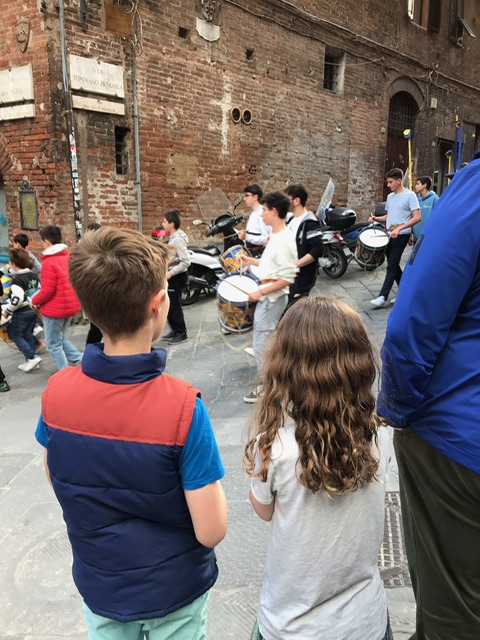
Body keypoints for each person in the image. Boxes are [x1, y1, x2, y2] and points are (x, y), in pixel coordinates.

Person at [35, 227, 227, 639]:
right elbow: (211, 529)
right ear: (157, 305)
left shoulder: (55, 394)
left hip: (101, 585)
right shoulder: (184, 409)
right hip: (174, 592)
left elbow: (56, 475)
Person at [245, 297, 392, 640]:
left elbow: (264, 511)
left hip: (292, 626)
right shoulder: (378, 436)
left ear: (284, 367)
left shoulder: (275, 448)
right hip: (366, 622)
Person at [378, 155, 480, 640]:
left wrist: (397, 408)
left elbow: (412, 323)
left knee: (452, 614)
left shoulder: (474, 193)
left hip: (457, 442)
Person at [239, 192, 297, 403]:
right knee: (265, 342)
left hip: (272, 299)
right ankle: (275, 380)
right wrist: (251, 261)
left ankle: (267, 387)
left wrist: (260, 292)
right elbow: (270, 264)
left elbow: (288, 278)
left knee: (261, 344)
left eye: (264, 209)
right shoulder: (276, 236)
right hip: (269, 296)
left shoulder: (285, 240)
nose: (261, 213)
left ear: (274, 211)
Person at [30, 225, 82, 370]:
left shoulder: (49, 262)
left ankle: (64, 373)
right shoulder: (68, 258)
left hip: (55, 309)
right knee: (59, 339)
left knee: (53, 344)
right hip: (70, 305)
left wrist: (34, 301)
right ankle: (80, 361)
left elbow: (47, 291)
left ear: (46, 241)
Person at [368, 168, 421, 308]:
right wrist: (376, 219)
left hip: (401, 235)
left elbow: (417, 217)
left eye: (391, 182)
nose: (388, 185)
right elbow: (389, 216)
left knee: (391, 265)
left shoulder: (410, 196)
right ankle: (405, 292)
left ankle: (382, 296)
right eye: (388, 182)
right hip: (389, 234)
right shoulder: (390, 197)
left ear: (399, 181)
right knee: (394, 264)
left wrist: (399, 228)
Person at [2, 248, 42, 372]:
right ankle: (32, 359)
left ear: (14, 264)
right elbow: (39, 290)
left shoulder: (17, 281)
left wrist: (7, 311)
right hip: (33, 309)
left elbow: (17, 299)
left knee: (15, 334)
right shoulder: (33, 276)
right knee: (27, 334)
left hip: (21, 311)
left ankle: (32, 357)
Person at [284, 184, 324, 307]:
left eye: (287, 199)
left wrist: (295, 264)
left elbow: (318, 249)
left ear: (296, 201)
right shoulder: (291, 220)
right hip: (288, 275)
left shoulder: (310, 222)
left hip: (301, 278)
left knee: (294, 311)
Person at [162, 210, 190, 344]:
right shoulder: (171, 238)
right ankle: (174, 329)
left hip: (177, 276)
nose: (162, 224)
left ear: (171, 224)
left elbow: (185, 262)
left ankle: (181, 332)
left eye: (164, 221)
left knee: (174, 305)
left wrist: (170, 273)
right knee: (168, 304)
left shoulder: (178, 240)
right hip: (171, 275)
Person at [238, 184, 271, 257]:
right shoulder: (254, 213)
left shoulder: (262, 213)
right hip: (251, 254)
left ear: (255, 197)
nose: (244, 199)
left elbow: (266, 238)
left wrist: (246, 237)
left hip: (259, 254)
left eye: (247, 195)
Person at [84, 223, 103, 346]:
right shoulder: (90, 250)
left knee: (97, 327)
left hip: (99, 292)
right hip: (97, 292)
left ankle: (90, 349)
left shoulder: (93, 251)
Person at [412, 176, 439, 242]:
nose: (415, 186)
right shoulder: (416, 200)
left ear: (424, 185)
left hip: (428, 237)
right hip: (416, 236)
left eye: (418, 184)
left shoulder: (435, 199)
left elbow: (438, 217)